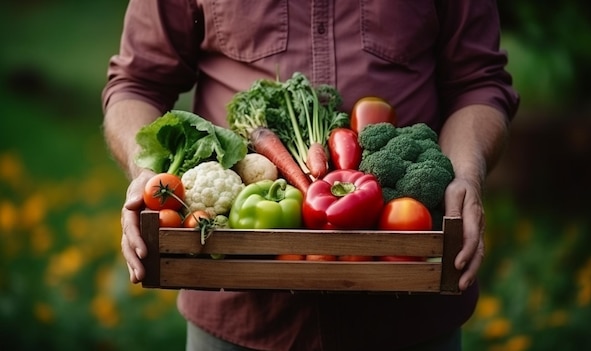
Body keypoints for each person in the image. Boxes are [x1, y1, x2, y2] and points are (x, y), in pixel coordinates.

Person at [102, 1, 519, 350]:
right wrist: (148, 173)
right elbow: (137, 82)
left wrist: (467, 173)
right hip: (236, 312)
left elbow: (477, 82)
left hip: (412, 310)